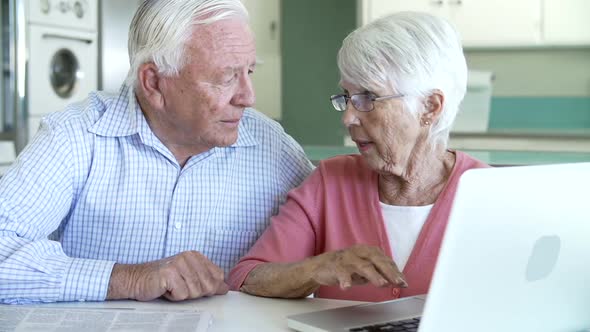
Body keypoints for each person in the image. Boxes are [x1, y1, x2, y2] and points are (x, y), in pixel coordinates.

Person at [0, 0, 313, 304]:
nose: (248, 97)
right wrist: (128, 278)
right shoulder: (75, 137)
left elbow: (340, 237)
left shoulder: (272, 148)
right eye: (226, 77)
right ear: (154, 83)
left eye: (249, 72)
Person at [228, 11, 490, 302]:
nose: (349, 118)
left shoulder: (491, 194)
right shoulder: (330, 183)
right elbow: (248, 277)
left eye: (368, 98)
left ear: (429, 106)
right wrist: (318, 268)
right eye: (347, 97)